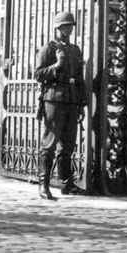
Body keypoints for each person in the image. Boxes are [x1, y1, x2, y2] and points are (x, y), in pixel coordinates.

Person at [33, 11, 87, 199]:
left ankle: (67, 184)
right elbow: (38, 74)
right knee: (49, 144)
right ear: (58, 27)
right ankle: (43, 185)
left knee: (68, 146)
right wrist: (56, 66)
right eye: (65, 26)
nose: (68, 29)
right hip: (54, 100)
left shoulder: (75, 50)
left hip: (71, 100)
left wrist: (82, 103)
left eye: (71, 25)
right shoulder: (49, 48)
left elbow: (79, 78)